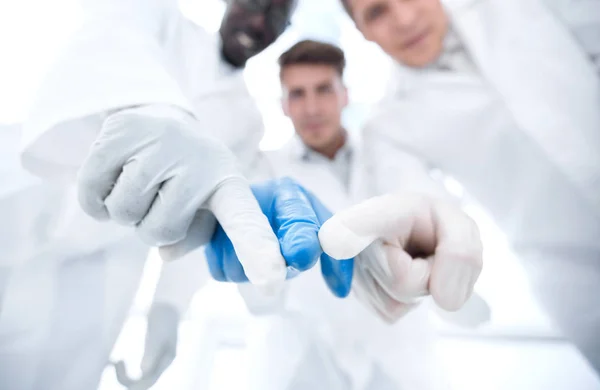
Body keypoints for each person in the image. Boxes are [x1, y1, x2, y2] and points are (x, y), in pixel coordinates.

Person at [1, 1, 342, 389]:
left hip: (105, 261)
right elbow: (112, 40)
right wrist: (163, 116)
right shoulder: (157, 16)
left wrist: (167, 309)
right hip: (25, 198)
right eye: (255, 2)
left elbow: (202, 222)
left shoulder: (247, 122)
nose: (261, 20)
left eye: (278, 16)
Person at [205, 39, 484, 390]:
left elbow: (430, 207)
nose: (311, 107)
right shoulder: (263, 172)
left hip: (396, 352)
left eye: (323, 90)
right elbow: (259, 292)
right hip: (299, 357)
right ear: (283, 106)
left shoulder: (385, 153)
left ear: (344, 94)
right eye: (297, 94)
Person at [339, 0, 600, 372]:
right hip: (582, 281)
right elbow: (421, 208)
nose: (405, 18)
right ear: (362, 32)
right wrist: (431, 260)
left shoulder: (525, 8)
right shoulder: (391, 127)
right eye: (377, 12)